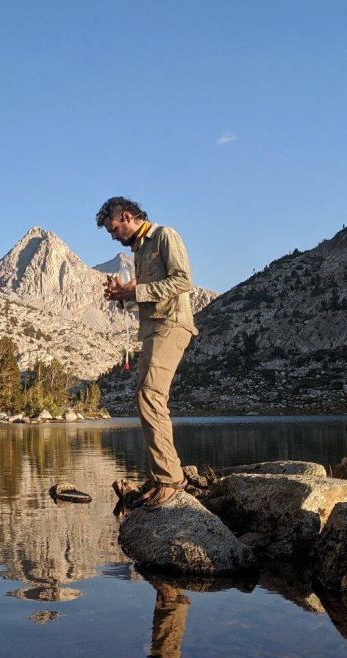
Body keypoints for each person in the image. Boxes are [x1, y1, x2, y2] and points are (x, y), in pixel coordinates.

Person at [98, 197, 198, 508]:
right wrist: (122, 296)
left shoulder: (165, 236)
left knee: (150, 396)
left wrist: (134, 290)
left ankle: (170, 479)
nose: (114, 236)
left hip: (172, 325)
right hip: (154, 327)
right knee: (146, 396)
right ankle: (160, 476)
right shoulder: (141, 251)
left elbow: (182, 281)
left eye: (114, 229)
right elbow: (147, 296)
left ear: (126, 217)